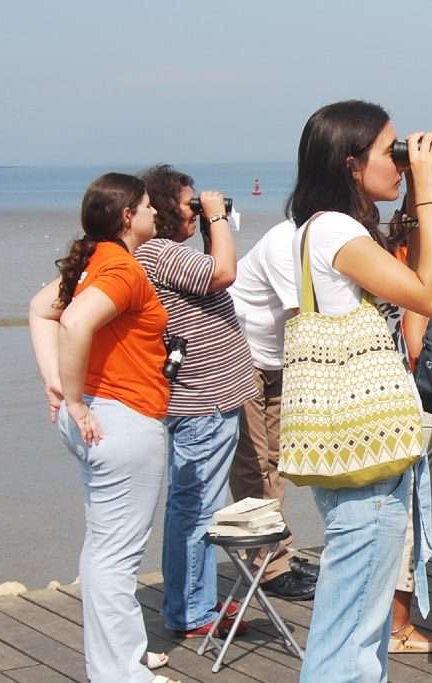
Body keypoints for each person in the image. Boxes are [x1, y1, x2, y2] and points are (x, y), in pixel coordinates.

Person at [285, 100, 432, 682]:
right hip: (370, 462)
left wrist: (413, 209)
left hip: (358, 453)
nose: (402, 162)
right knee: (350, 634)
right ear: (353, 164)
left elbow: (417, 283)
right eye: (392, 151)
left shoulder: (328, 230)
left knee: (360, 628)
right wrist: (429, 194)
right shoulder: (335, 229)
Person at [27, 173, 178, 682]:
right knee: (116, 555)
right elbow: (72, 322)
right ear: (127, 217)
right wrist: (70, 398)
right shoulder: (120, 269)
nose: (156, 211)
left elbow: (41, 310)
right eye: (146, 206)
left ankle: (119, 659)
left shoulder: (93, 260)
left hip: (98, 417)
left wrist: (57, 384)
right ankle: (120, 674)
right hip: (122, 421)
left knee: (103, 549)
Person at [133, 165, 263, 640]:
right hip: (201, 401)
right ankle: (191, 611)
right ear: (170, 209)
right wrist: (217, 218)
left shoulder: (166, 255)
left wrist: (211, 226)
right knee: (196, 509)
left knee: (194, 505)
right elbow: (225, 272)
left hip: (205, 398)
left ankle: (194, 601)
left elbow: (211, 274)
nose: (197, 210)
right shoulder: (159, 252)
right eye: (189, 203)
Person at [378, 181, 432, 656]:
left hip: (392, 399)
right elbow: (415, 341)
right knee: (410, 512)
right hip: (414, 401)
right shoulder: (417, 260)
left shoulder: (392, 252)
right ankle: (400, 625)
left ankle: (392, 619)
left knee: (399, 511)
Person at [226, 215, 319, 600]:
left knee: (277, 461)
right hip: (241, 353)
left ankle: (276, 551)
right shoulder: (286, 241)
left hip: (276, 359)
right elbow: (306, 317)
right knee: (252, 462)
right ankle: (267, 565)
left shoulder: (319, 240)